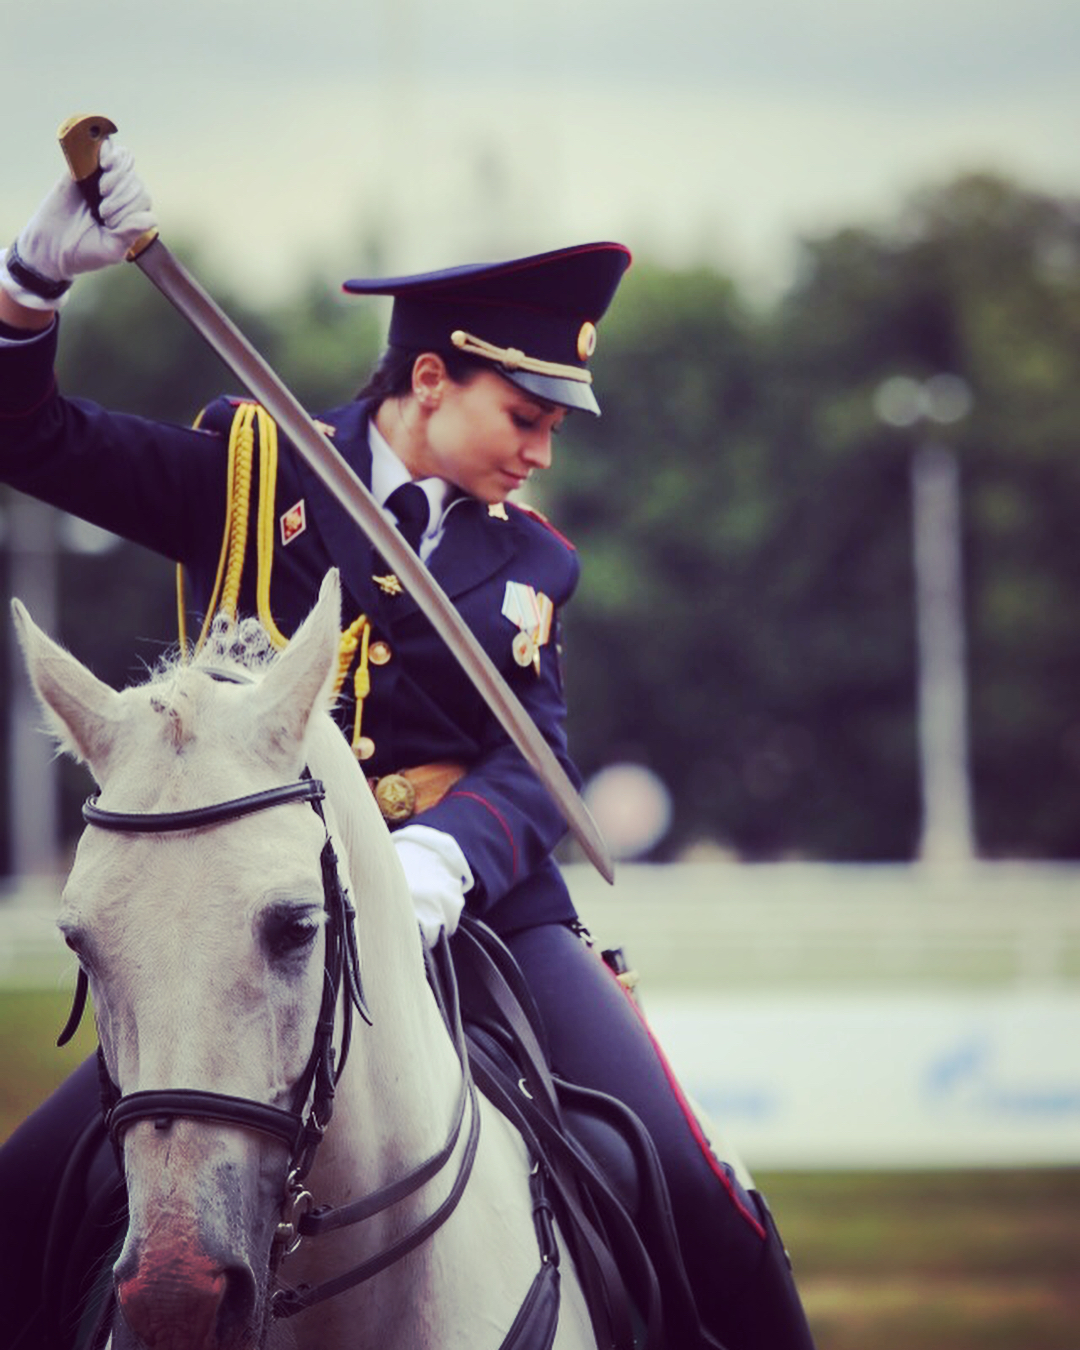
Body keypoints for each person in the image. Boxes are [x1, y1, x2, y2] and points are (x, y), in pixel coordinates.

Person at [0, 137, 816, 1350]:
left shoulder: (536, 561)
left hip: (482, 912)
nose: (543, 449)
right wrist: (28, 290)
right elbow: (32, 438)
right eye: (526, 413)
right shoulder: (248, 474)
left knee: (702, 1198)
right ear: (432, 376)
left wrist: (438, 859)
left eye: (554, 423)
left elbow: (538, 761)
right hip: (248, 917)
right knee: (21, 1202)